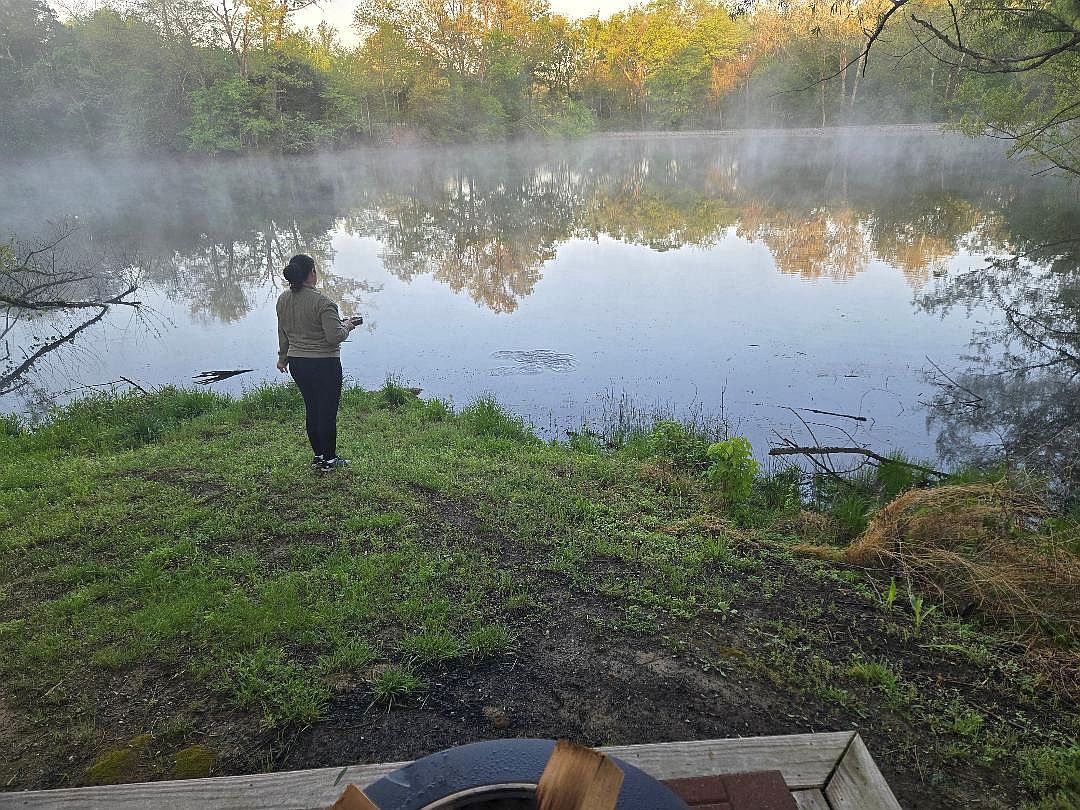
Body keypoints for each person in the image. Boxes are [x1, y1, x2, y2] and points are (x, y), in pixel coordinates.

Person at [276, 254, 362, 470]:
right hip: (324, 364)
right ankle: (330, 461)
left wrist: (282, 357)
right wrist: (348, 326)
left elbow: (283, 331)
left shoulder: (283, 300)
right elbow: (334, 336)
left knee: (312, 409)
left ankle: (319, 456)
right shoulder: (324, 303)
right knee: (327, 412)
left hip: (298, 363)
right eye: (314, 270)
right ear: (311, 273)